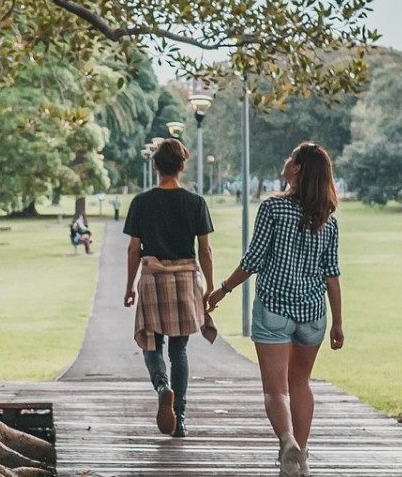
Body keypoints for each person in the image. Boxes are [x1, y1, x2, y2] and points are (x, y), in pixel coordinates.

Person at [208, 142, 344, 477]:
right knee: (301, 384)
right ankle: (303, 455)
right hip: (312, 313)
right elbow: (332, 276)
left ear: (296, 169)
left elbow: (253, 261)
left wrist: (222, 290)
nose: (285, 161)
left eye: (290, 159)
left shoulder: (273, 208)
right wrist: (337, 323)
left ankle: (287, 443)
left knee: (275, 389)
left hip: (273, 310)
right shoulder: (328, 218)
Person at [123, 138, 217, 438]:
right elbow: (205, 249)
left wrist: (129, 286)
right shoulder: (195, 202)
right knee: (180, 350)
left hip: (153, 279)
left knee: (150, 343)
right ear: (182, 166)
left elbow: (133, 249)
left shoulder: (141, 202)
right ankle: (180, 417)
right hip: (185, 279)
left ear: (155, 166)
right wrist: (210, 287)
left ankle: (162, 387)